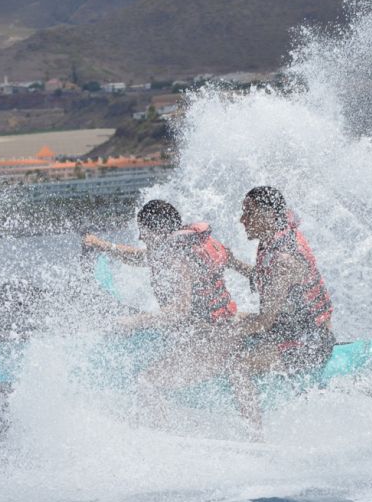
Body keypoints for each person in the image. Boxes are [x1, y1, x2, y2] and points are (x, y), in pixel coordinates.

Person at [223, 186, 336, 434]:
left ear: (268, 215)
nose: (242, 219)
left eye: (248, 212)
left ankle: (255, 436)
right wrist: (232, 263)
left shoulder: (284, 258)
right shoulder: (275, 237)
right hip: (288, 328)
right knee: (227, 317)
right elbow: (265, 279)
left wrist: (228, 334)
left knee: (237, 365)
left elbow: (264, 322)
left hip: (309, 341)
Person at [82, 198, 237, 338]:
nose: (140, 238)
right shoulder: (175, 248)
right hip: (216, 323)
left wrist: (133, 322)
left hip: (208, 333)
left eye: (143, 232)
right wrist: (102, 245)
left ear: (158, 230)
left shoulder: (177, 259)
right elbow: (137, 257)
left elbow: (180, 310)